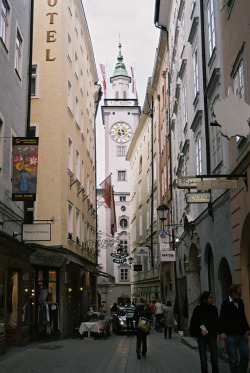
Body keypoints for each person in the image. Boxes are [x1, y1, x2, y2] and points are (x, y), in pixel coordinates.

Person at [218, 284, 250, 373]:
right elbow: (222, 319)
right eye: (239, 294)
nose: (240, 296)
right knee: (233, 359)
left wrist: (247, 328)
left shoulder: (240, 302)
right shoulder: (225, 304)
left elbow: (243, 316)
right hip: (231, 335)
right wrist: (221, 332)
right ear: (232, 293)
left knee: (245, 355)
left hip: (242, 333)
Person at [189, 291, 219, 373]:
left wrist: (211, 331)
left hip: (212, 336)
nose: (212, 299)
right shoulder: (198, 309)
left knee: (215, 359)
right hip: (202, 337)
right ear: (204, 299)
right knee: (203, 359)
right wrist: (200, 331)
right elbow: (194, 323)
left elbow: (216, 322)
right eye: (210, 298)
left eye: (212, 297)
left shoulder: (214, 309)